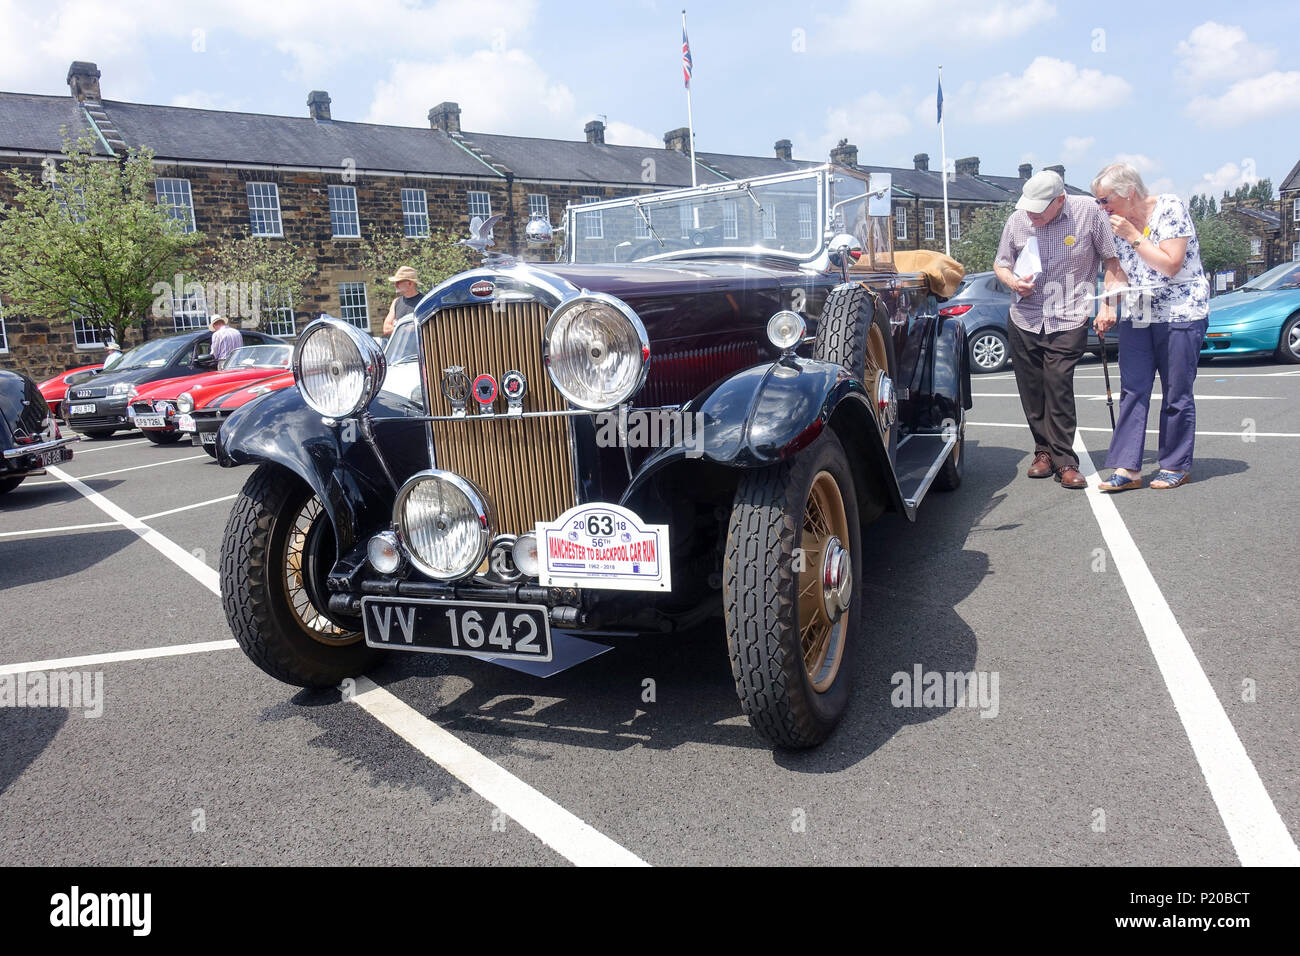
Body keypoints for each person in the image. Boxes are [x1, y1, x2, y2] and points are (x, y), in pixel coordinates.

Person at [993, 170, 1124, 489]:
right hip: (1025, 316)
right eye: (1028, 208)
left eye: (1039, 209)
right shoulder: (1018, 220)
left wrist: (1108, 305)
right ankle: (1043, 453)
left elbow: (1112, 261)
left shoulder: (1089, 212)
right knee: (1032, 389)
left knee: (1058, 383)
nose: (1032, 215)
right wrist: (1012, 281)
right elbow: (1001, 263)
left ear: (1060, 200)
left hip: (1069, 315)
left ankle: (1065, 460)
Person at [1091, 163, 1210, 491]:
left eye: (1104, 200)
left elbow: (1170, 264)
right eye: (1099, 201)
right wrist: (1107, 305)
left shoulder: (1170, 208)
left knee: (1176, 391)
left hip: (1180, 309)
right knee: (1133, 388)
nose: (1102, 207)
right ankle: (1128, 468)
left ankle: (1175, 464)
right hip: (1140, 309)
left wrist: (1133, 236)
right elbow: (1117, 269)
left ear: (1128, 192)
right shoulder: (1114, 223)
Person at [382, 266, 423, 336]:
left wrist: (395, 324)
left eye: (398, 282)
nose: (395, 285)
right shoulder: (396, 302)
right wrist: (404, 328)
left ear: (410, 283)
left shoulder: (423, 302)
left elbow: (424, 327)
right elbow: (386, 329)